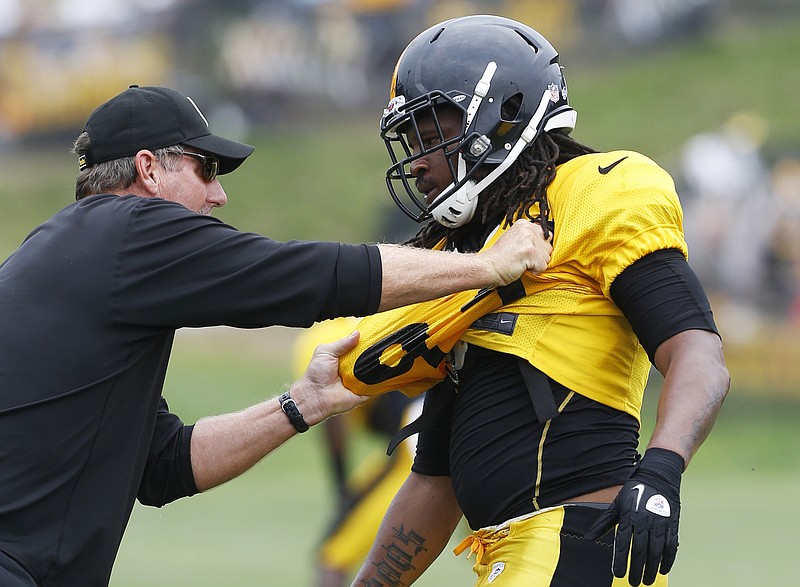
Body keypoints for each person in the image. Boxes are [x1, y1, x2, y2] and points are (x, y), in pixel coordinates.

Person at [0, 84, 553, 587]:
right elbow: (309, 278)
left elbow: (164, 464)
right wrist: (487, 265)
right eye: (207, 169)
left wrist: (302, 403)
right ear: (148, 169)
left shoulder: (76, 255)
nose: (219, 196)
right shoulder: (125, 231)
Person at [340, 15, 730, 587]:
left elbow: (697, 352)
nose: (417, 160)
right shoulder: (472, 256)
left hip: (576, 543)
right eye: (412, 143)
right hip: (513, 558)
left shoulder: (591, 197)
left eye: (430, 135)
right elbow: (434, 480)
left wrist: (662, 472)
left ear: (501, 114)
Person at [293, 318, 425, 587]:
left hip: (420, 436)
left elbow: (329, 418)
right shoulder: (387, 310)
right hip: (465, 426)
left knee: (334, 554)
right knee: (495, 538)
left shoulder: (325, 336)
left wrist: (341, 485)